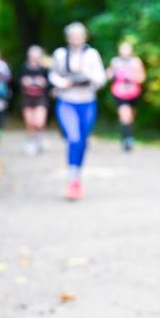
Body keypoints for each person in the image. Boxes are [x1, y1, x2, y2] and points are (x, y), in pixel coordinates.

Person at [48, 22, 107, 200]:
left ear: (85, 36)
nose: (76, 38)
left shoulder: (92, 54)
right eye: (72, 35)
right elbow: (53, 75)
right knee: (73, 139)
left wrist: (87, 76)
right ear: (67, 38)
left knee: (82, 141)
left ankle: (77, 176)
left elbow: (101, 78)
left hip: (87, 102)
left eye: (79, 35)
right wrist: (63, 83)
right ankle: (72, 180)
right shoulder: (60, 54)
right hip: (67, 102)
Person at [106, 39, 146, 151]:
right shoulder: (115, 62)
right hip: (119, 93)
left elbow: (142, 78)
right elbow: (108, 75)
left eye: (127, 49)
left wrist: (132, 77)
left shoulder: (136, 61)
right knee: (124, 115)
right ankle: (127, 140)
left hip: (133, 93)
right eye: (123, 49)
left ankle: (126, 136)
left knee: (130, 117)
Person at [19, 45, 51, 156]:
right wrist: (23, 82)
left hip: (41, 98)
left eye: (36, 56)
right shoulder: (24, 68)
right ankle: (32, 142)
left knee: (39, 122)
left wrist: (44, 82)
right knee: (30, 123)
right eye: (32, 56)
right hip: (27, 98)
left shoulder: (44, 69)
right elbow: (16, 82)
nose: (34, 58)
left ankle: (39, 138)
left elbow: (51, 83)